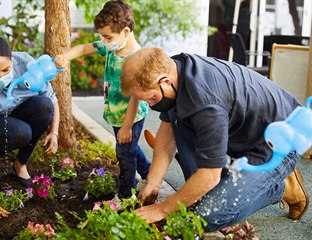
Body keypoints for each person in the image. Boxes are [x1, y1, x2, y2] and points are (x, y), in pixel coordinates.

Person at [120, 47, 309, 231]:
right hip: (246, 137)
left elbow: (210, 175)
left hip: (278, 146)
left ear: (165, 81)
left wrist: (162, 209)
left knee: (206, 216)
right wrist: (153, 183)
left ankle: (280, 186)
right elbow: (168, 130)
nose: (151, 105)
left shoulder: (205, 101)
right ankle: (213, 188)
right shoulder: (175, 69)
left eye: (151, 98)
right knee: (193, 195)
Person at [55, 0, 150, 201]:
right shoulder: (112, 46)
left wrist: (126, 126)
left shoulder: (136, 59)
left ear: (125, 31)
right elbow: (83, 49)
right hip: (116, 114)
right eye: (103, 37)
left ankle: (126, 195)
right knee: (129, 148)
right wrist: (65, 56)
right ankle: (149, 173)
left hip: (130, 116)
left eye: (107, 37)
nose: (104, 42)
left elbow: (135, 98)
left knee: (124, 154)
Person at [0, 35, 60, 192]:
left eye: (5, 69)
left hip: (17, 114)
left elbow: (52, 99)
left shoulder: (26, 64)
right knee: (20, 132)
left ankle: (20, 163)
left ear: (12, 60)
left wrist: (54, 132)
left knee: (44, 106)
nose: (1, 76)